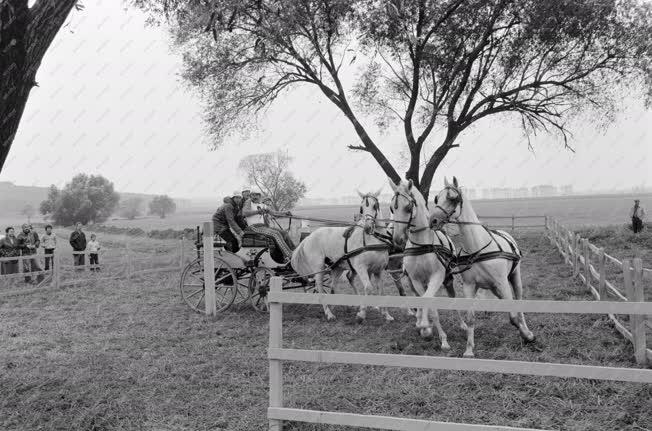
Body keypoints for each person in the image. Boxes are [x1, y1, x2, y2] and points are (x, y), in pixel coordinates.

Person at [244, 193, 295, 263]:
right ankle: (289, 255)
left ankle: (295, 251)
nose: (255, 197)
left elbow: (274, 213)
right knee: (275, 234)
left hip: (262, 226)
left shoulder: (263, 205)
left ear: (260, 196)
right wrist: (257, 211)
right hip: (253, 227)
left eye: (257, 195)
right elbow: (245, 213)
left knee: (284, 233)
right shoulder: (249, 203)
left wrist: (285, 213)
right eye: (253, 195)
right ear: (251, 196)